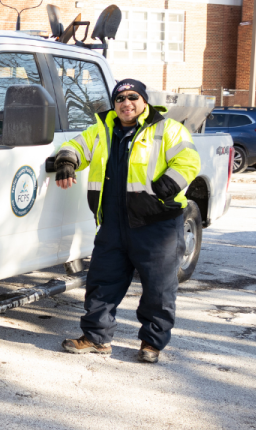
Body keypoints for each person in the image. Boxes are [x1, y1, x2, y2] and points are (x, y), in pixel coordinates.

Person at [54, 79, 200, 363]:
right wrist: (66, 161)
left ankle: (151, 343)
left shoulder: (167, 129)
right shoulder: (102, 130)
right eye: (120, 98)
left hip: (157, 223)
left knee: (158, 288)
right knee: (102, 283)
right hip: (113, 223)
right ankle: (96, 338)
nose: (126, 103)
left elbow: (189, 160)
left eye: (132, 97)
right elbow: (74, 146)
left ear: (144, 101)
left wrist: (165, 187)